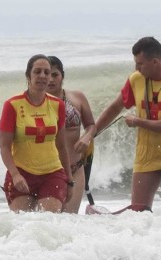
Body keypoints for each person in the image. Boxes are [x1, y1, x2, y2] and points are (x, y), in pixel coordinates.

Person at [96, 37, 161, 212]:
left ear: (155, 61)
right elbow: (114, 107)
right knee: (138, 215)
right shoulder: (136, 79)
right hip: (146, 156)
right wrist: (91, 134)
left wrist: (138, 121)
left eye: (140, 64)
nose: (136, 68)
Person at [0, 54, 74, 213]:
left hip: (52, 173)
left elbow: (61, 146)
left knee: (46, 224)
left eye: (47, 72)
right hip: (21, 173)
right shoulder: (12, 105)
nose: (43, 76)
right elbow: (5, 147)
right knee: (24, 226)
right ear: (28, 75)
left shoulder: (57, 105)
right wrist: (15, 175)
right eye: (37, 71)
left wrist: (69, 179)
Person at [45, 56, 96, 213]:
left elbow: (91, 125)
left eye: (55, 74)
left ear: (62, 75)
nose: (51, 79)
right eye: (47, 74)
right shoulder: (34, 103)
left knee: (69, 221)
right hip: (45, 172)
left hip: (75, 170)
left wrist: (87, 137)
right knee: (48, 223)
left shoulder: (77, 97)